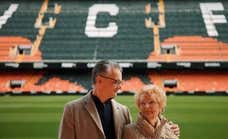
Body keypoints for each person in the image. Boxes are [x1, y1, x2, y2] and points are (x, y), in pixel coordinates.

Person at [58, 60, 131, 139]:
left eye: (121, 82)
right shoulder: (72, 110)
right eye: (116, 82)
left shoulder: (124, 111)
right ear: (99, 80)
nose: (120, 87)